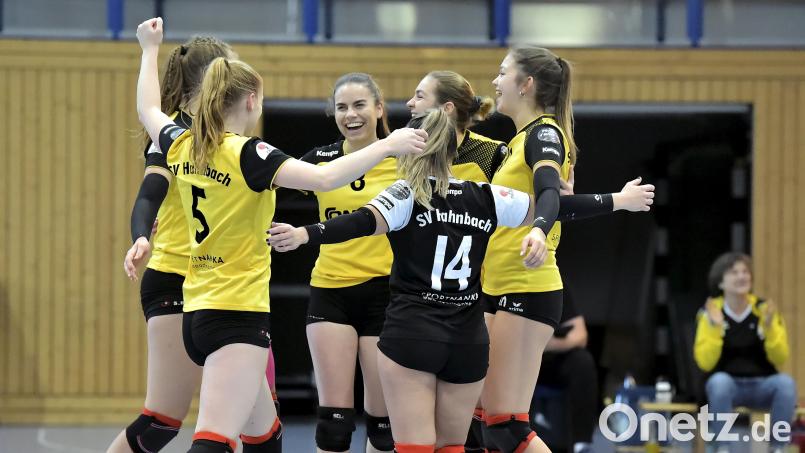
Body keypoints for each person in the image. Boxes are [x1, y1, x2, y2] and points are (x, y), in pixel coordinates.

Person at [124, 17, 426, 453]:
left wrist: (148, 50)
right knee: (213, 440)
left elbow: (147, 109)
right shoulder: (250, 154)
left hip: (197, 312)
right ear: (251, 100)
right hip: (237, 313)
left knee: (264, 437)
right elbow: (325, 177)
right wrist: (388, 144)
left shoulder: (183, 143)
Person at [407, 68, 656, 453]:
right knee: (471, 421)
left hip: (504, 286)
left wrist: (610, 202)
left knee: (500, 424)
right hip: (452, 294)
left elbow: (546, 203)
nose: (410, 103)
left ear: (447, 108)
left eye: (420, 96)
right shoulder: (408, 152)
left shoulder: (499, 152)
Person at [268, 109, 538, 453]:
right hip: (466, 339)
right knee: (453, 447)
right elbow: (559, 207)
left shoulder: (407, 194)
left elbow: (358, 223)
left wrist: (305, 234)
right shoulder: (486, 195)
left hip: (413, 332)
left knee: (413, 446)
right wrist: (597, 200)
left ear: (411, 151)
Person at [109, 35, 235, 453]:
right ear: (218, 76)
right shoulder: (174, 134)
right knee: (161, 422)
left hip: (229, 286)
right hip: (177, 277)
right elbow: (149, 194)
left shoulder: (231, 133)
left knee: (252, 420)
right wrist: (141, 236)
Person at [297, 72, 397, 453]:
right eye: (341, 107)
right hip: (331, 290)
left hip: (384, 295)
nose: (350, 114)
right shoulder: (322, 161)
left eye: (359, 105)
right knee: (333, 426)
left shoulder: (403, 159)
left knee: (383, 428)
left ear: (379, 108)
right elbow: (261, 188)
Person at [694, 252, 797, 453]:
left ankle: (778, 448)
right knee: (719, 382)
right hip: (728, 385)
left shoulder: (764, 309)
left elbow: (780, 357)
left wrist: (769, 328)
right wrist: (715, 327)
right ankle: (723, 447)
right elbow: (705, 363)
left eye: (745, 272)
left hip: (761, 384)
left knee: (786, 384)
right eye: (734, 272)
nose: (742, 276)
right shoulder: (710, 312)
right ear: (721, 282)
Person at [532, 287, 597, 453]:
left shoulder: (555, 283)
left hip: (549, 357)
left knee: (582, 361)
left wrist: (547, 344)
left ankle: (581, 443)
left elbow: (580, 334)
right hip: (517, 360)